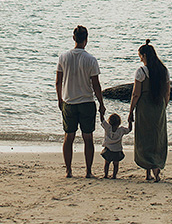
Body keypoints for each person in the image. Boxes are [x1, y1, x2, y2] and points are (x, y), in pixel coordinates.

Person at [56, 25, 106, 178]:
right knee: (88, 137)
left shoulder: (63, 57)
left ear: (73, 38)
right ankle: (88, 171)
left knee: (68, 136)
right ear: (86, 40)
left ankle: (69, 170)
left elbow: (58, 81)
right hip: (86, 102)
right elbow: (96, 85)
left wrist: (60, 99)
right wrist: (101, 104)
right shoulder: (90, 59)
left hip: (69, 101)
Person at [128, 39, 170, 181]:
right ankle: (156, 167)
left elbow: (136, 94)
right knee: (157, 137)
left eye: (140, 56)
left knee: (144, 137)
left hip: (144, 107)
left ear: (144, 55)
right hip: (159, 106)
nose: (139, 59)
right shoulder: (164, 70)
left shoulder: (141, 72)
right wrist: (163, 106)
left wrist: (131, 111)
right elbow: (167, 93)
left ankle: (148, 172)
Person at [100, 113, 132, 179]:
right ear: (119, 122)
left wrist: (101, 113)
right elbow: (129, 129)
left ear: (109, 121)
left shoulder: (108, 128)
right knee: (116, 164)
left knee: (107, 163)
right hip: (117, 150)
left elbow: (102, 121)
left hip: (108, 149)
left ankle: (106, 175)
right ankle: (114, 175)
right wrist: (130, 121)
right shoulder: (121, 130)